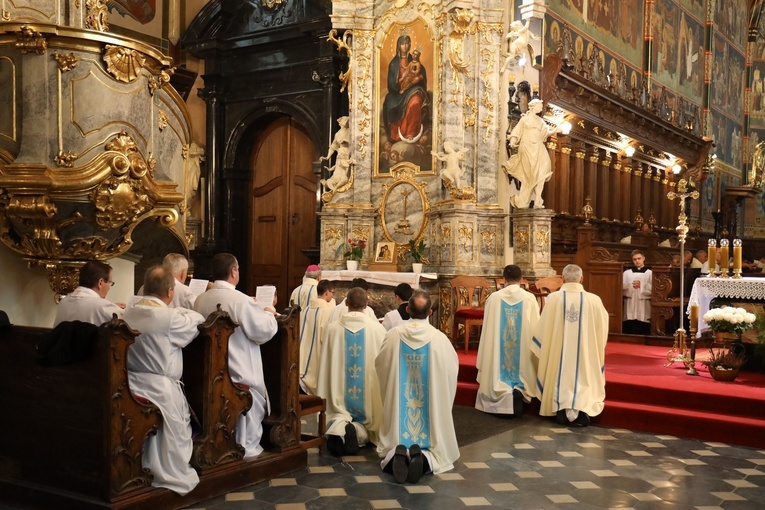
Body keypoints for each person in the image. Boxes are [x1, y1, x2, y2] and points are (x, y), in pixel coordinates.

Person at [124, 265, 205, 495]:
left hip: (130, 382)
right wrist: (183, 312)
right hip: (160, 387)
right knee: (174, 433)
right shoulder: (169, 317)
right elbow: (197, 321)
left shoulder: (129, 311)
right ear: (170, 291)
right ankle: (167, 473)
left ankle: (142, 467)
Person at [194, 253, 278, 458]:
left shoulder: (200, 299)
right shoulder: (240, 300)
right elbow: (263, 330)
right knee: (251, 398)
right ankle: (245, 446)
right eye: (238, 268)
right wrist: (268, 312)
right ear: (233, 271)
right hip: (238, 371)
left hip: (211, 370)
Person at [376, 290, 459, 484]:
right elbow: (451, 372)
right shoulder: (439, 339)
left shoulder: (393, 335)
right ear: (430, 312)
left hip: (400, 406)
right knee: (436, 453)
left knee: (394, 440)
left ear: (407, 309)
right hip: (427, 407)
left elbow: (380, 365)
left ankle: (396, 454)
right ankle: (423, 459)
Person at [532, 264, 609, 427]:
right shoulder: (594, 300)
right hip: (585, 353)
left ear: (562, 278)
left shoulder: (552, 299)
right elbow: (602, 329)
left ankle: (560, 408)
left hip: (558, 354)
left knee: (558, 371)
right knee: (584, 372)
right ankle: (581, 409)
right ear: (582, 279)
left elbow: (542, 329)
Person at [317, 287, 385, 457]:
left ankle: (338, 429)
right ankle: (357, 433)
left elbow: (325, 363)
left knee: (338, 414)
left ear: (346, 303)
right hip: (368, 400)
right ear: (367, 305)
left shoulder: (333, 329)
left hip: (338, 397)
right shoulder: (377, 329)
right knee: (370, 426)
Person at [475, 265, 540, 416]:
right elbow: (537, 328)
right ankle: (519, 390)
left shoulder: (494, 298)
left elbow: (487, 330)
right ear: (522, 279)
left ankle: (503, 392)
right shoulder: (529, 298)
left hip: (499, 352)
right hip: (522, 352)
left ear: (503, 279)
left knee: (498, 366)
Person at [503, 98, 556, 209]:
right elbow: (517, 131)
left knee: (543, 170)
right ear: (533, 106)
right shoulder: (524, 119)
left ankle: (537, 200)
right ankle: (522, 201)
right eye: (540, 106)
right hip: (527, 147)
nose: (541, 108)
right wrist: (513, 141)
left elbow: (546, 133)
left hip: (539, 147)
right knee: (529, 175)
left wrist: (557, 130)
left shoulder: (540, 121)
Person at [383, 34, 428, 143]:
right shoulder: (394, 64)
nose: (405, 46)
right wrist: (399, 83)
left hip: (413, 90)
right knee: (389, 103)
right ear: (398, 46)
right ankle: (396, 136)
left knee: (415, 102)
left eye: (407, 43)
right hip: (397, 92)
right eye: (402, 44)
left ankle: (410, 133)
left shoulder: (414, 60)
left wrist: (418, 79)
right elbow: (391, 84)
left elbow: (421, 74)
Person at [53, 260, 124, 326]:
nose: (109, 288)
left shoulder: (63, 302)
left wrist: (112, 306)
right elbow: (127, 326)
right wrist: (114, 308)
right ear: (100, 283)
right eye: (110, 282)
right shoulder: (104, 307)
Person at [299, 279, 337, 395]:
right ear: (326, 292)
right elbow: (327, 337)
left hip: (304, 351)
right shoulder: (327, 311)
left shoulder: (307, 308)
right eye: (332, 292)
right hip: (318, 352)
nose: (332, 296)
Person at [623, 249, 652, 335]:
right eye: (635, 259)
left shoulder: (650, 273)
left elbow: (654, 289)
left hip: (643, 303)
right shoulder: (627, 273)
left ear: (643, 258)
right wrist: (630, 285)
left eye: (639, 258)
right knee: (630, 322)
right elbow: (622, 287)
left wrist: (642, 285)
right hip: (630, 302)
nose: (637, 261)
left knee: (643, 322)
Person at [290, 264, 322, 337]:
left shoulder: (296, 290)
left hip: (296, 328)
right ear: (319, 277)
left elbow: (291, 311)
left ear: (306, 276)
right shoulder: (319, 290)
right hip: (312, 330)